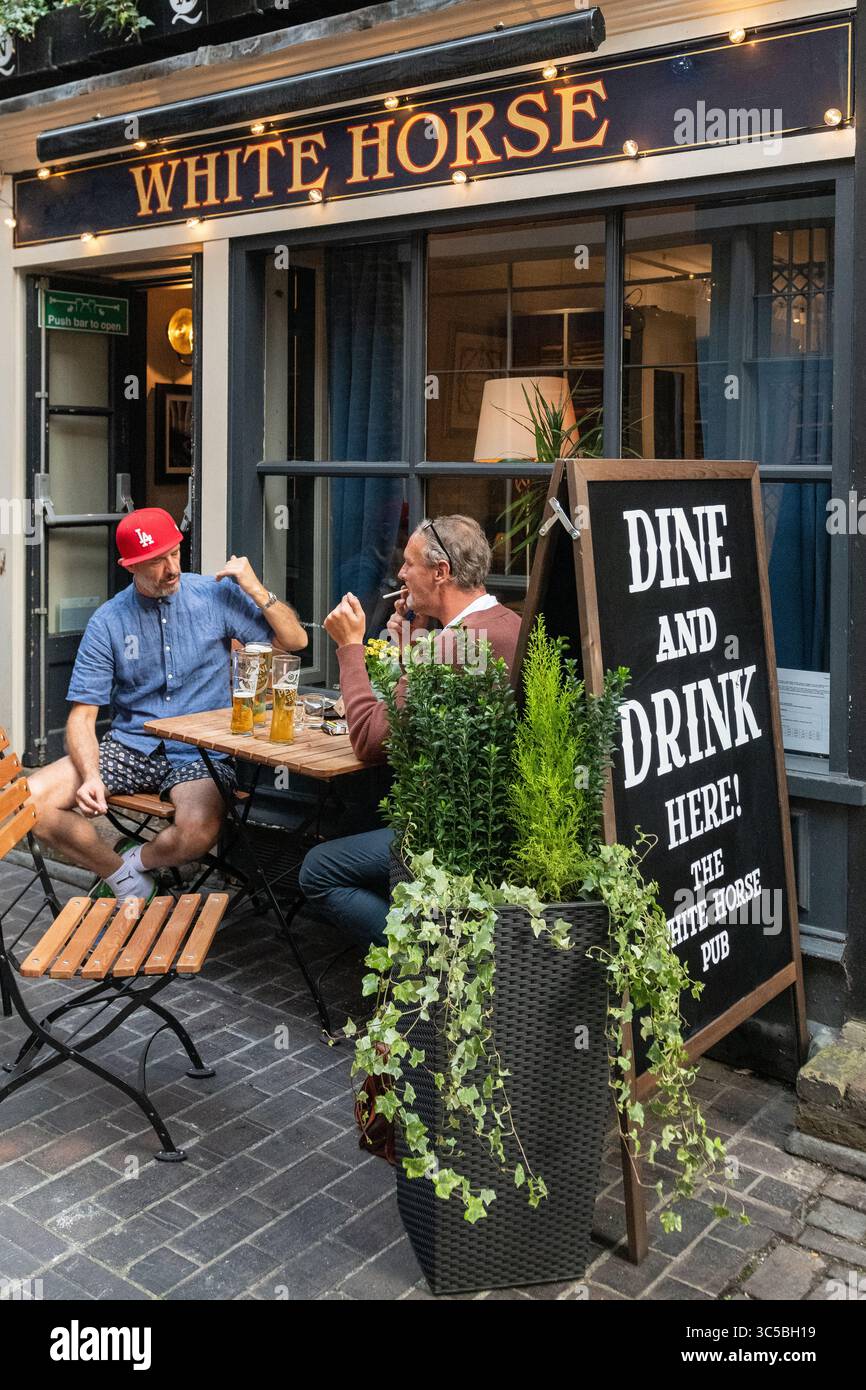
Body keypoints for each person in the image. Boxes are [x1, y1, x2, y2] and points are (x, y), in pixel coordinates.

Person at [28, 507, 307, 901]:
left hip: (201, 753)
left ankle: (136, 863)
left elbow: (295, 642)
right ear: (130, 566)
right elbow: (82, 716)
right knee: (31, 801)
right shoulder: (107, 621)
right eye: (155, 561)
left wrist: (256, 587)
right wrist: (91, 775)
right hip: (130, 745)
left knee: (197, 831)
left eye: (174, 553)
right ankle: (123, 879)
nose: (170, 568)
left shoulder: (215, 595)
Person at [298, 515, 521, 946]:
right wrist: (417, 631)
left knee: (318, 869)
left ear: (441, 572)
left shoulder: (452, 647)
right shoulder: (505, 624)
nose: (399, 574)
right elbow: (428, 707)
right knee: (358, 817)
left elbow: (367, 739)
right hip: (486, 827)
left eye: (409, 564)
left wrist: (349, 647)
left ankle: (422, 954)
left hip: (444, 833)